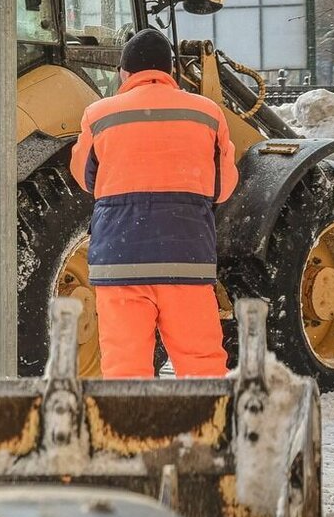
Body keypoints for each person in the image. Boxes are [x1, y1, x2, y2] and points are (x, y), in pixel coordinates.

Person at [69, 28, 238, 378]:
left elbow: (86, 178)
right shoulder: (207, 113)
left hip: (120, 261)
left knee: (124, 369)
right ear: (170, 72)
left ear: (124, 73)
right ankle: (206, 430)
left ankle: (129, 432)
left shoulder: (99, 115)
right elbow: (223, 188)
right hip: (185, 259)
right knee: (201, 365)